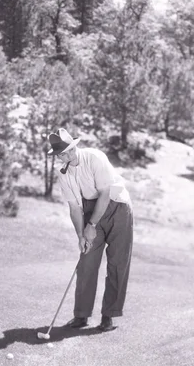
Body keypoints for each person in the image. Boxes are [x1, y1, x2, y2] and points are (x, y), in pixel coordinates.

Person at [48, 128, 134, 332]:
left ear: (75, 146)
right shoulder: (63, 174)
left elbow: (105, 194)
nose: (66, 155)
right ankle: (81, 316)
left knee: (117, 263)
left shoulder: (95, 158)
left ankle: (108, 316)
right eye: (61, 154)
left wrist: (92, 226)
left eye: (69, 150)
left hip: (117, 207)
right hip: (89, 209)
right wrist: (81, 235)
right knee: (86, 262)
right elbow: (74, 208)